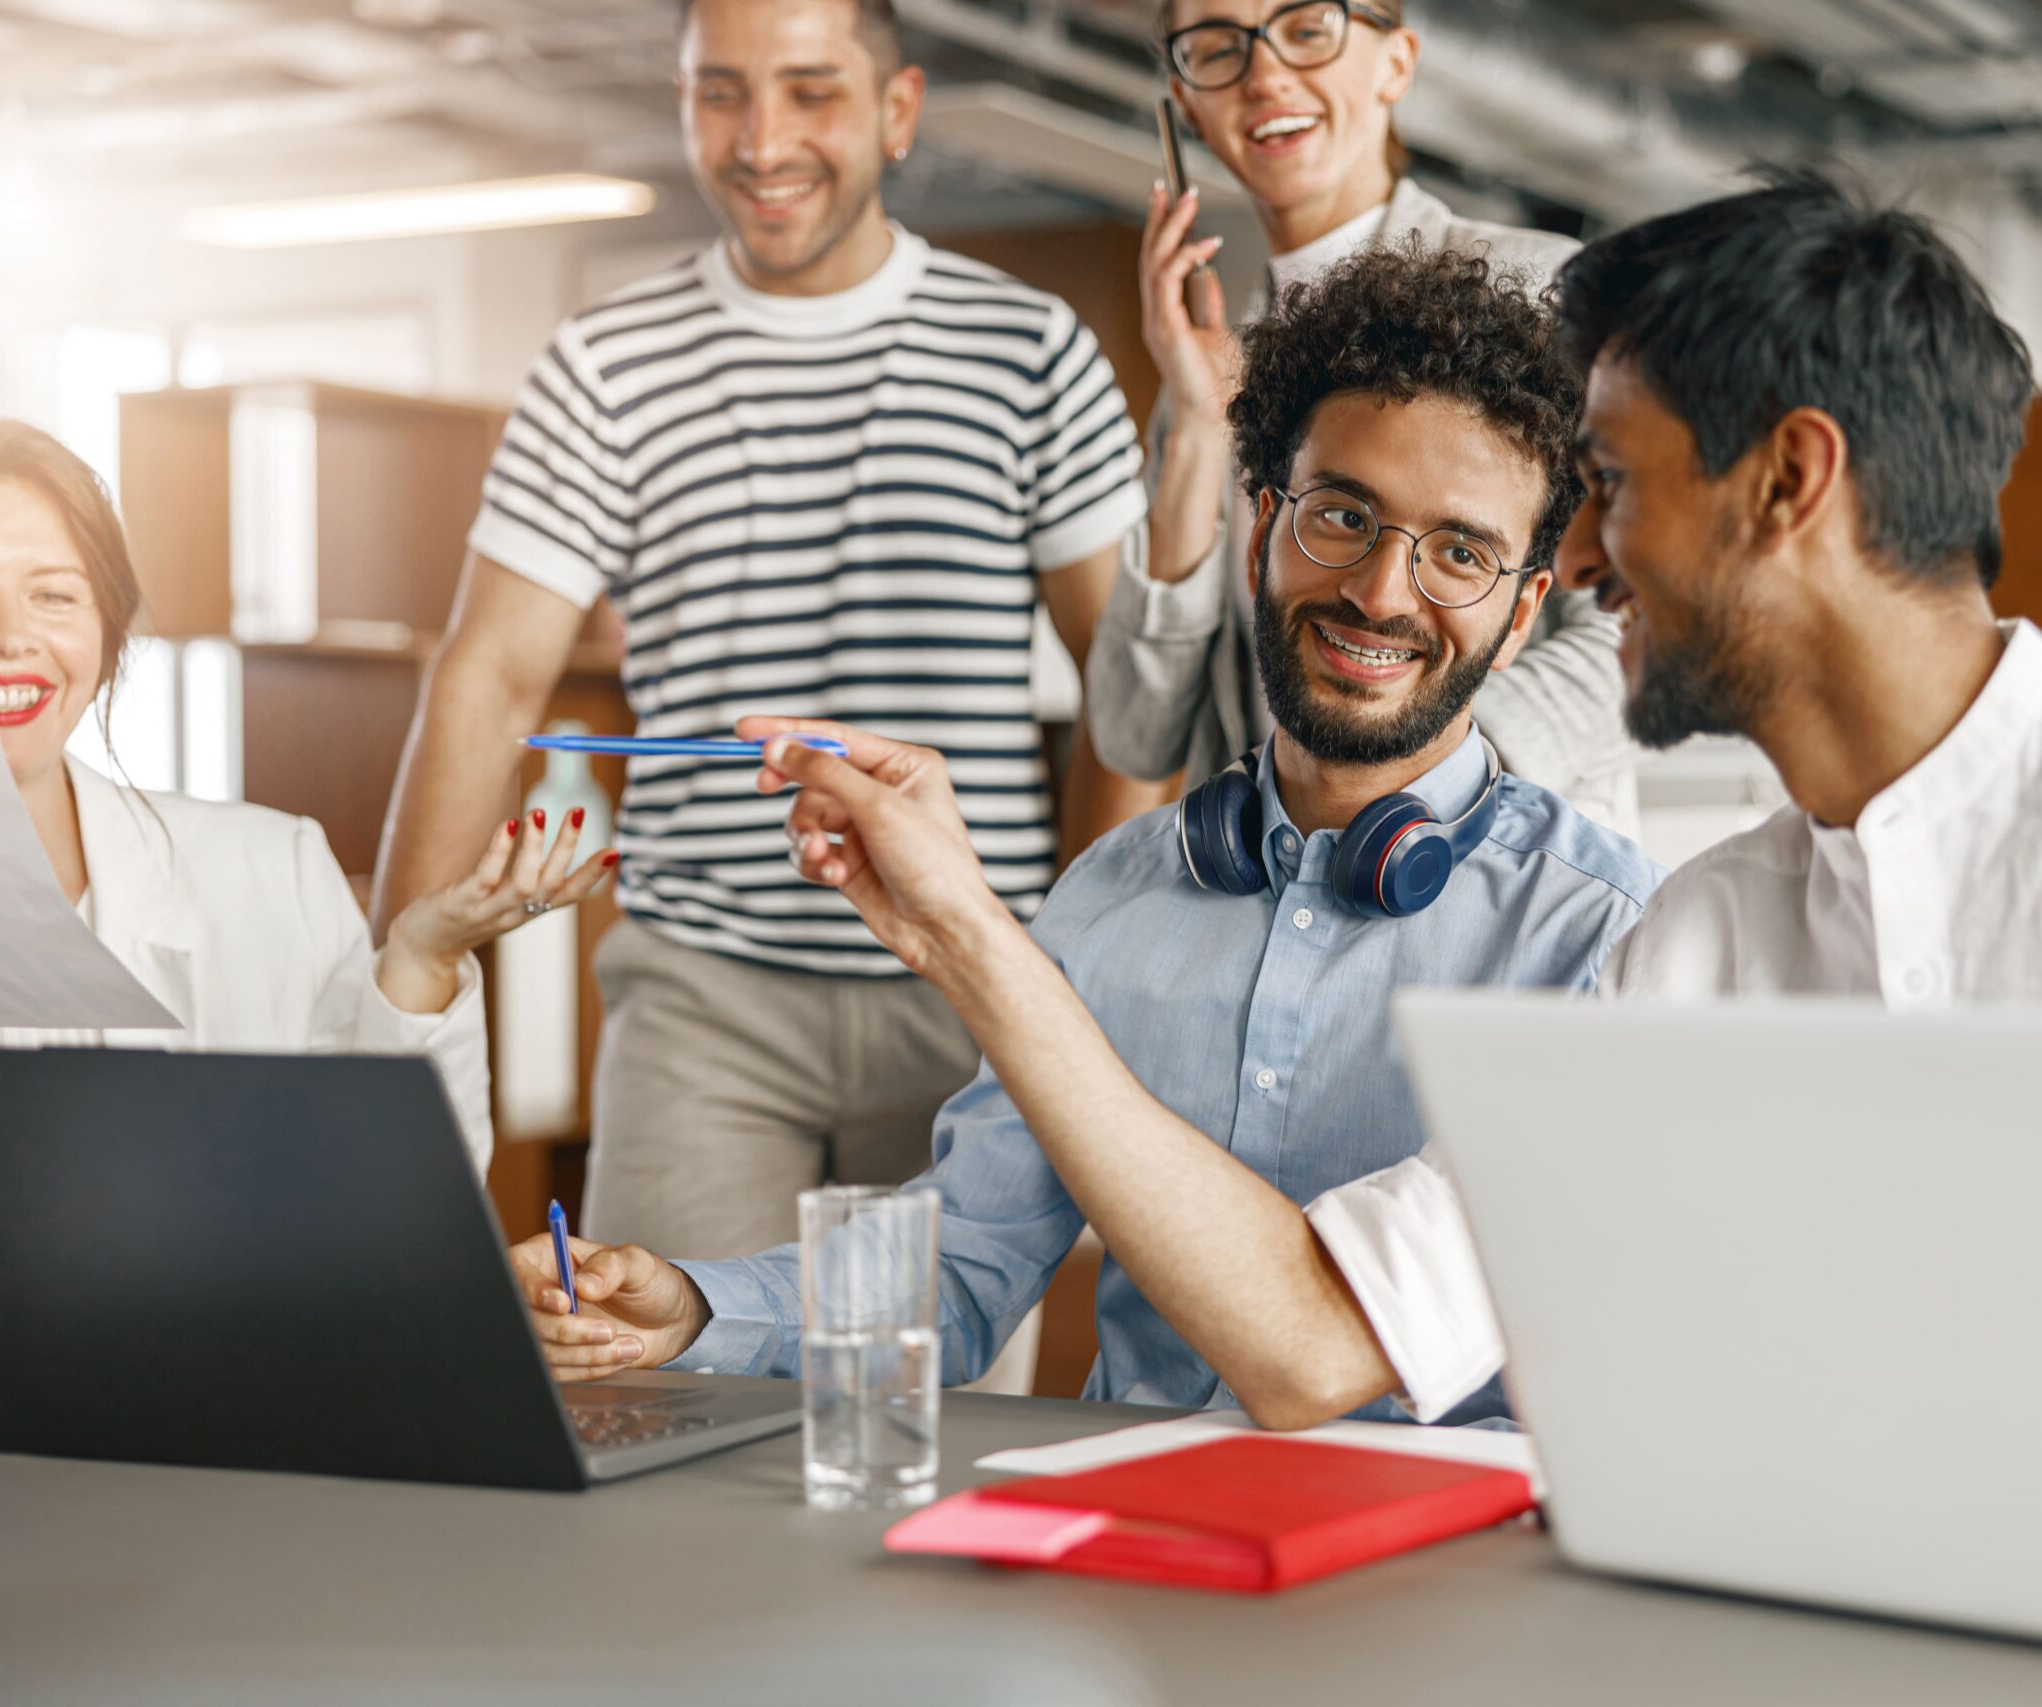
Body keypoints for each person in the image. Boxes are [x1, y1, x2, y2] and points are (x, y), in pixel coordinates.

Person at [998, 170, 2042, 1515]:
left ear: (1789, 481)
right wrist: (968, 932)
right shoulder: (1706, 949)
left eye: (1607, 481)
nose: (1582, 557)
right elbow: (1321, 1336)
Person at [503, 247, 1660, 1424]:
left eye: (1459, 552)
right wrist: (695, 1307)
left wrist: (965, 933)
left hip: (1441, 1571)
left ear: (1521, 616)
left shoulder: (1603, 938)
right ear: (1262, 527)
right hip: (1135, 1546)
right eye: (1342, 515)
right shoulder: (1116, 895)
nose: (1380, 591)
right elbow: (960, 1270)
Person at [369, 0, 1160, 1259]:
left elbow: (1131, 687)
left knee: (930, 1420)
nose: (761, 138)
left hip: (962, 974)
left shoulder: (1032, 353)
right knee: (663, 1394)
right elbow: (489, 674)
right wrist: (389, 1017)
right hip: (703, 994)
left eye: (810, 91)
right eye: (720, 92)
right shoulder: (602, 364)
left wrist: (1063, 962)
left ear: (897, 113)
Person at [0, 421, 607, 1175]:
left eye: (53, 595)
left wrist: (421, 958)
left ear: (109, 629)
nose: (9, 636)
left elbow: (394, 1200)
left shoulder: (273, 870)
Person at [1084, 0, 1639, 830]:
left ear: (1396, 62)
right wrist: (1200, 424)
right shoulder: (1206, 363)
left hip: (1498, 885)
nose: (1265, 74)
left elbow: (1643, 628)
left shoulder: (1545, 295)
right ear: (1185, 97)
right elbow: (1136, 734)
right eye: (1217, 46)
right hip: (1273, 903)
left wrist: (1383, 798)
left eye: (1307, 30)